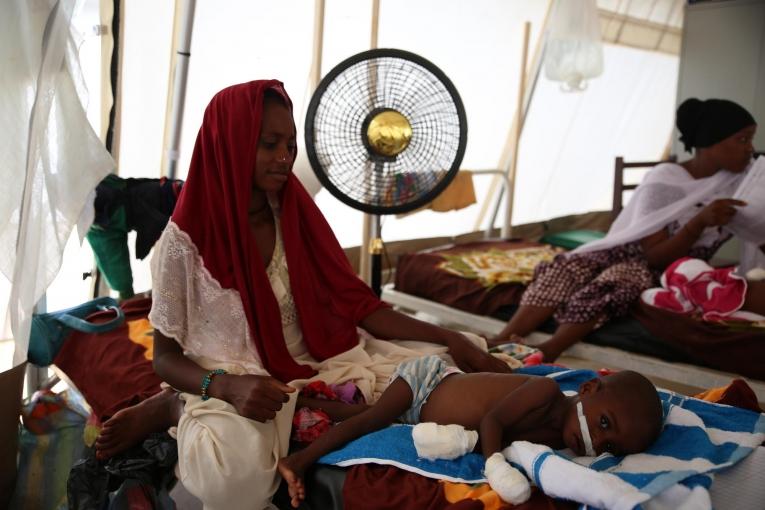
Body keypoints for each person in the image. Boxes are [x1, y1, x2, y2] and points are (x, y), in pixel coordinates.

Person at [93, 80, 510, 509]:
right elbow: (164, 358)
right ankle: (177, 408)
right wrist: (222, 386)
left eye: (290, 144)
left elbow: (361, 307)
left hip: (325, 358)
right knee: (236, 480)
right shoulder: (181, 246)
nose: (285, 158)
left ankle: (291, 402)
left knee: (467, 377)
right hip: (235, 374)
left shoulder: (294, 212)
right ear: (230, 144)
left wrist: (450, 336)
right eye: (269, 144)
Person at [491, 98, 759, 361]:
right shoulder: (664, 181)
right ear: (708, 142)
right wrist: (699, 222)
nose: (750, 149)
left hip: (671, 269)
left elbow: (655, 264)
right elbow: (653, 252)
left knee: (621, 278)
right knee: (568, 267)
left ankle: (552, 347)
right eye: (743, 139)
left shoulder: (742, 182)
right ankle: (506, 336)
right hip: (636, 250)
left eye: (751, 140)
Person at [278, 356, 663, 508]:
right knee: (369, 421)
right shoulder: (545, 393)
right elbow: (492, 422)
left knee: (361, 413)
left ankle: (306, 404)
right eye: (604, 422)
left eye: (608, 443)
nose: (596, 439)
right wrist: (494, 465)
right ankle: (299, 461)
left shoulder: (559, 440)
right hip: (426, 382)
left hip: (421, 416)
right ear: (588, 389)